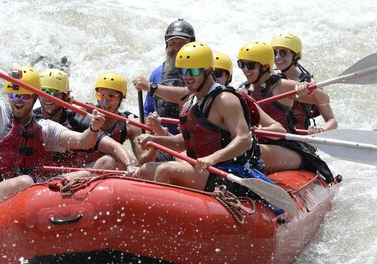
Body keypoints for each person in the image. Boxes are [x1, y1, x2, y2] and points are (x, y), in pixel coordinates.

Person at [0, 51, 105, 218]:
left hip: (23, 197)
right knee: (26, 182)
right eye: (13, 95)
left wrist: (94, 127)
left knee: (83, 175)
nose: (18, 101)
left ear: (36, 97)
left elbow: (84, 141)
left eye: (25, 96)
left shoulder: (44, 128)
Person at [136, 41, 273, 194]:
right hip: (204, 169)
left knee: (166, 170)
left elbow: (244, 140)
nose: (187, 77)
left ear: (208, 70)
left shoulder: (225, 99)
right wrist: (154, 140)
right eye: (183, 70)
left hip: (231, 171)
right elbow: (184, 142)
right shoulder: (192, 100)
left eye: (193, 71)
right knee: (145, 170)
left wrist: (213, 158)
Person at [236, 42, 334, 181]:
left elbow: (324, 98)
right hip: (259, 143)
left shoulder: (281, 86)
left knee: (248, 151)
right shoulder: (243, 90)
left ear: (265, 67)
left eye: (250, 65)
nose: (245, 69)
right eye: (242, 64)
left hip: (288, 147)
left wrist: (305, 88)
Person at [35, 69, 134, 170]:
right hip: (38, 177)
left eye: (55, 93)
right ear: (37, 94)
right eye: (44, 92)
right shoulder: (31, 120)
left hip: (72, 177)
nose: (48, 98)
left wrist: (130, 166)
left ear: (65, 96)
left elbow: (114, 146)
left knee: (109, 161)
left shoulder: (77, 118)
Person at [134, 18, 196, 136]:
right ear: (166, 46)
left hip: (193, 141)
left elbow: (189, 95)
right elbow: (148, 112)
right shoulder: (157, 73)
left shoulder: (201, 72)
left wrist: (150, 86)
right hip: (164, 140)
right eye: (172, 43)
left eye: (182, 43)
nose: (177, 48)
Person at [271, 32, 338, 134]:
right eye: (274, 53)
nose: (277, 57)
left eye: (283, 52)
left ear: (296, 55)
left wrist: (321, 130)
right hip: (274, 135)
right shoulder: (269, 79)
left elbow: (332, 121)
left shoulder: (310, 83)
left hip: (299, 140)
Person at [93, 72, 158, 166]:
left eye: (111, 97)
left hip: (107, 167)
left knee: (134, 165)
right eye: (101, 96)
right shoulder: (85, 113)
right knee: (109, 161)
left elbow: (144, 161)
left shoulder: (130, 125)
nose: (105, 103)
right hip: (84, 168)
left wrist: (156, 142)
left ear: (121, 98)